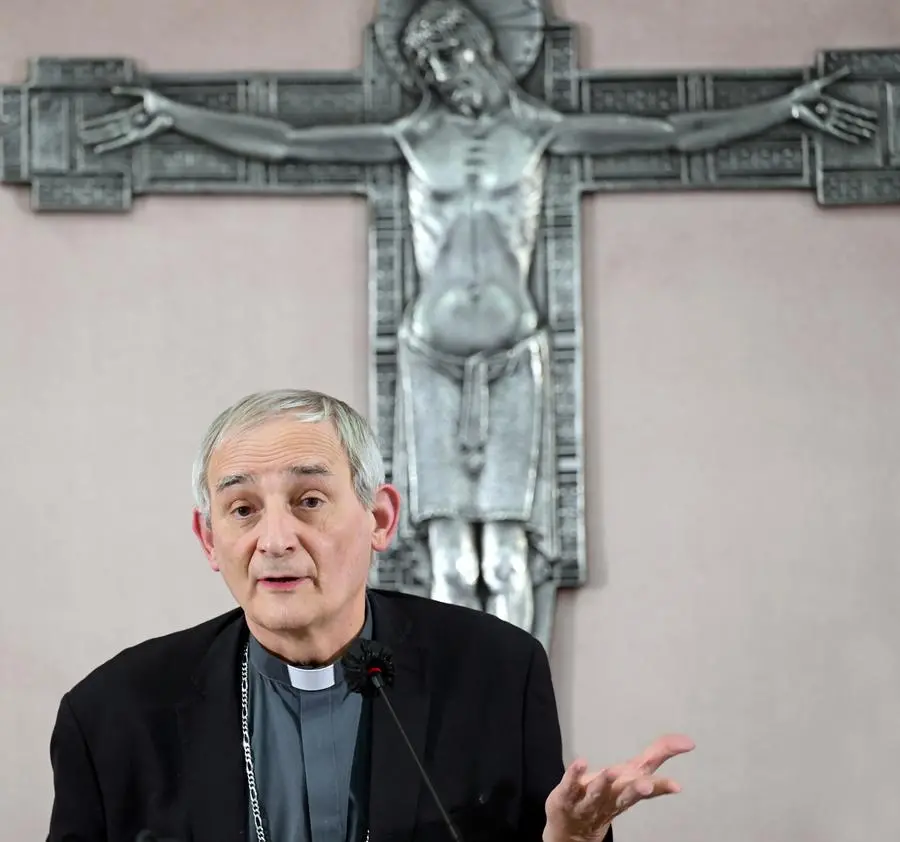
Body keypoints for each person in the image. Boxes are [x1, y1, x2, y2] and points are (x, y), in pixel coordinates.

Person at [77, 0, 877, 645]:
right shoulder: (413, 133)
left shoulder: (537, 131)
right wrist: (172, 116)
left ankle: (513, 696)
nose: (439, 76)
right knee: (451, 552)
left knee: (511, 546)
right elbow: (287, 142)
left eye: (448, 57)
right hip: (428, 356)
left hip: (512, 356)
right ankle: (464, 704)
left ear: (484, 50)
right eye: (425, 64)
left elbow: (673, 135)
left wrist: (787, 109)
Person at [47, 388, 694, 842]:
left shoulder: (497, 673)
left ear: (380, 518)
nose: (275, 540)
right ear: (208, 539)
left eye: (308, 500)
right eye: (242, 510)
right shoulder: (113, 714)